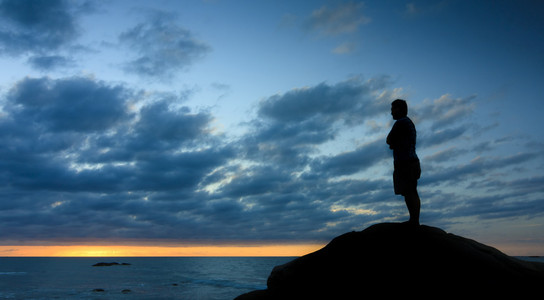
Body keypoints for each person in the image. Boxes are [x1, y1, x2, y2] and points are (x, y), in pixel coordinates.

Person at [386, 99, 421, 226]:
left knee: (410, 192)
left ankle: (414, 221)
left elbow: (389, 140)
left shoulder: (401, 122)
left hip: (406, 163)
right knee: (410, 191)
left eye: (393, 109)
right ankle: (414, 220)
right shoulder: (407, 122)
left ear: (399, 109)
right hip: (410, 161)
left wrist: (393, 143)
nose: (391, 113)